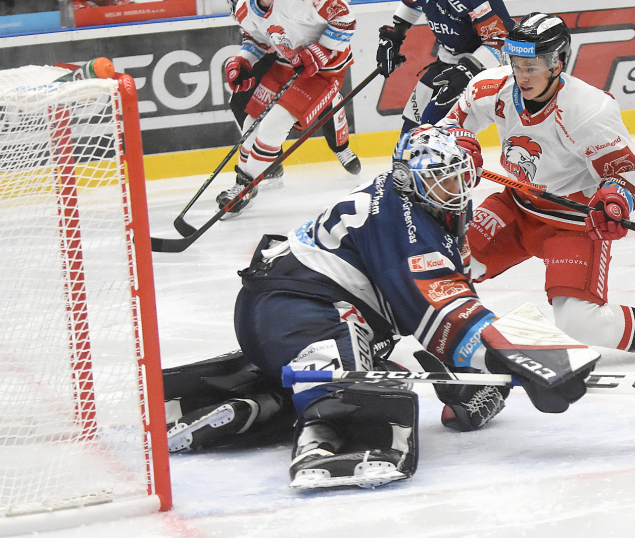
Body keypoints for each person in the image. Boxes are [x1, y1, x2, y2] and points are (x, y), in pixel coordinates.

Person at [163, 125, 598, 489]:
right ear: (412, 179)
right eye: (444, 180)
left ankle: (249, 405)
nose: (458, 191)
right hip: (306, 311)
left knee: (344, 369)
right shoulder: (407, 221)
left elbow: (428, 324)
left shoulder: (401, 200)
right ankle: (324, 441)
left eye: (462, 179)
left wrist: (476, 383)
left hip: (278, 313)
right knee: (370, 391)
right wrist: (536, 358)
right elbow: (445, 311)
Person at [438, 13, 635, 361]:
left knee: (581, 324)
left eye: (533, 66)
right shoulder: (491, 88)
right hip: (517, 205)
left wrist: (615, 200)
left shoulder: (587, 109)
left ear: (558, 62)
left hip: (574, 223)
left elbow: (626, 173)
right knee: (446, 263)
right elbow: (448, 129)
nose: (522, 75)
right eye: (516, 64)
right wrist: (455, 144)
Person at [218, 0, 357, 217]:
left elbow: (345, 17)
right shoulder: (246, 6)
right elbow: (257, 39)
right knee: (250, 127)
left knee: (273, 126)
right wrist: (242, 61)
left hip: (325, 70)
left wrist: (322, 50)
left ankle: (244, 185)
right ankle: (248, 182)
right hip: (286, 64)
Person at [227, 0, 361, 176]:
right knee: (243, 100)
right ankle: (267, 164)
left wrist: (319, 45)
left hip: (312, 39)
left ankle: (340, 146)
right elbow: (237, 2)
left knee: (323, 93)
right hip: (274, 42)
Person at [375, 0, 512, 134]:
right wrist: (394, 36)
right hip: (448, 59)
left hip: (482, 64)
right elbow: (412, 1)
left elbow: (501, 39)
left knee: (433, 122)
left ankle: (442, 164)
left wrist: (469, 69)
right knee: (413, 119)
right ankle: (402, 165)